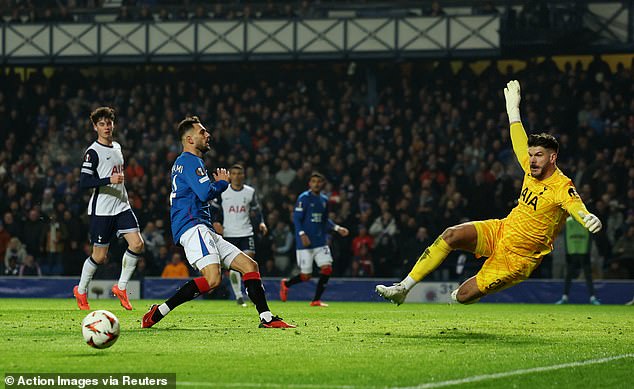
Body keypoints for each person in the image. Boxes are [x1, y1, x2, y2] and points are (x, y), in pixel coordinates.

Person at [376, 80, 603, 305]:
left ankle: (467, 294)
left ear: (552, 158)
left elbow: (575, 205)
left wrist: (586, 217)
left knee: (462, 296)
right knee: (451, 235)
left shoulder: (562, 186)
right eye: (531, 154)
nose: (531, 160)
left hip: (519, 258)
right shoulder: (530, 166)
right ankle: (402, 288)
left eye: (538, 155)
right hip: (502, 229)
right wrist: (513, 109)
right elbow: (518, 140)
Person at [142, 116, 294, 329]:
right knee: (213, 279)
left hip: (203, 227)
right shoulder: (189, 160)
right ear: (189, 139)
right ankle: (158, 313)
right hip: (192, 226)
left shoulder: (186, 162)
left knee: (250, 266)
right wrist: (222, 184)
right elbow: (205, 193)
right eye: (202, 132)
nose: (207, 134)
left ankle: (267, 318)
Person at [73, 107, 144, 311]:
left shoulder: (118, 147)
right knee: (100, 257)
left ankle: (121, 288)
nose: (106, 127)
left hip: (122, 206)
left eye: (109, 123)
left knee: (137, 244)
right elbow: (84, 183)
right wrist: (108, 180)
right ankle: (81, 290)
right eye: (102, 124)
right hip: (102, 211)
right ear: (95, 127)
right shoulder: (92, 152)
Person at [279, 172, 349, 307]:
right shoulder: (304, 198)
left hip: (320, 241)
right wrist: (301, 234)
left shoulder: (324, 200)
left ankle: (316, 300)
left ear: (322, 184)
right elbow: (296, 218)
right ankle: (286, 284)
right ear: (309, 184)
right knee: (306, 276)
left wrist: (337, 228)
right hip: (304, 243)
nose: (316, 184)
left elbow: (324, 220)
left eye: (319, 182)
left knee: (327, 268)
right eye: (314, 181)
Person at [212, 164, 268, 307]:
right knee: (235, 266)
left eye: (240, 173)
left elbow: (256, 209)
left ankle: (250, 292)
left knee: (248, 264)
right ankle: (238, 296)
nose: (237, 176)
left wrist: (261, 223)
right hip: (229, 233)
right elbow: (214, 209)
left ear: (244, 175)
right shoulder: (223, 191)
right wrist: (215, 222)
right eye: (234, 173)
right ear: (230, 176)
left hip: (246, 232)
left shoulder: (250, 192)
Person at [555, 216, 600, 305]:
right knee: (569, 274)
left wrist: (588, 249)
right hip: (572, 251)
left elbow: (591, 235)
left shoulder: (584, 220)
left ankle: (592, 297)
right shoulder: (568, 221)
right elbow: (565, 236)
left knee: (587, 275)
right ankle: (565, 297)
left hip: (583, 251)